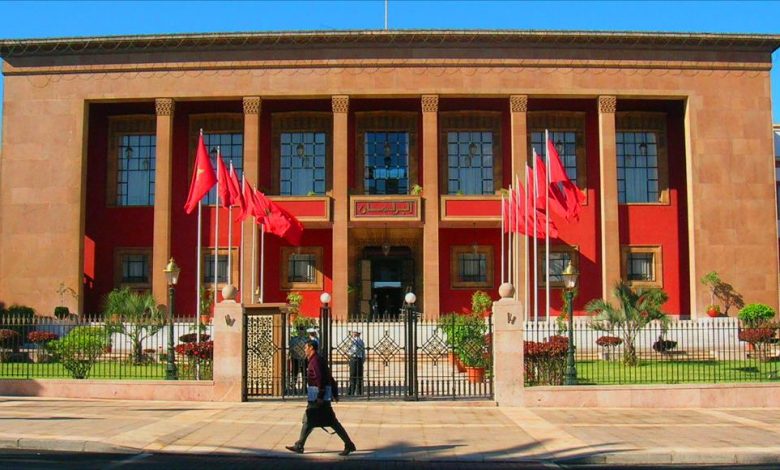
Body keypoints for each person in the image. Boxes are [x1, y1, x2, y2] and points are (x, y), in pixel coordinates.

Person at [286, 340, 356, 456]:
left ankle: (349, 444)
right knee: (310, 420)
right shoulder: (317, 359)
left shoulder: (315, 361)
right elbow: (329, 377)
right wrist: (334, 393)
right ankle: (299, 445)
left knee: (325, 421)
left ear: (311, 348)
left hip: (317, 396)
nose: (305, 350)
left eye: (306, 347)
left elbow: (321, 379)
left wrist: (320, 395)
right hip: (318, 395)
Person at [288, 325, 307, 391]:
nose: (301, 332)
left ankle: (304, 387)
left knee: (304, 373)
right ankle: (293, 387)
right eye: (300, 330)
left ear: (304, 331)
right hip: (295, 358)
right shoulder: (293, 340)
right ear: (298, 331)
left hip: (304, 359)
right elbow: (290, 349)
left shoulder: (307, 340)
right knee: (294, 373)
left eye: (302, 330)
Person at [347, 330, 365, 396]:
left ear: (356, 333)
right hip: (360, 359)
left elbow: (353, 350)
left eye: (354, 332)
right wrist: (363, 360)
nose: (352, 333)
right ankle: (360, 392)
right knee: (359, 376)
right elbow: (363, 352)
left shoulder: (353, 341)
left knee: (353, 376)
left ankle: (351, 392)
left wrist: (349, 353)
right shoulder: (361, 341)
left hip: (354, 359)